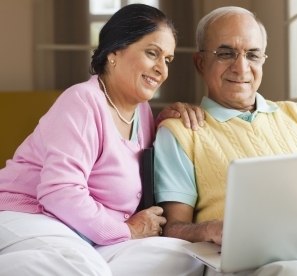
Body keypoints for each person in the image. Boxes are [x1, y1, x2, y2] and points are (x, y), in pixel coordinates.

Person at [154, 6, 297, 276]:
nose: (241, 67)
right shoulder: (181, 131)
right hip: (243, 260)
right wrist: (208, 229)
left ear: (263, 60)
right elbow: (172, 228)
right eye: (225, 54)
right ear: (201, 63)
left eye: (252, 54)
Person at [0, 4, 204, 276]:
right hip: (32, 215)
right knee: (80, 267)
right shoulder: (82, 101)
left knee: (183, 258)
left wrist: (167, 121)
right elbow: (60, 193)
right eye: (152, 53)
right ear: (114, 52)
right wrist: (126, 230)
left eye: (167, 60)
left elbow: (122, 158)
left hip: (89, 236)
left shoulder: (141, 112)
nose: (161, 69)